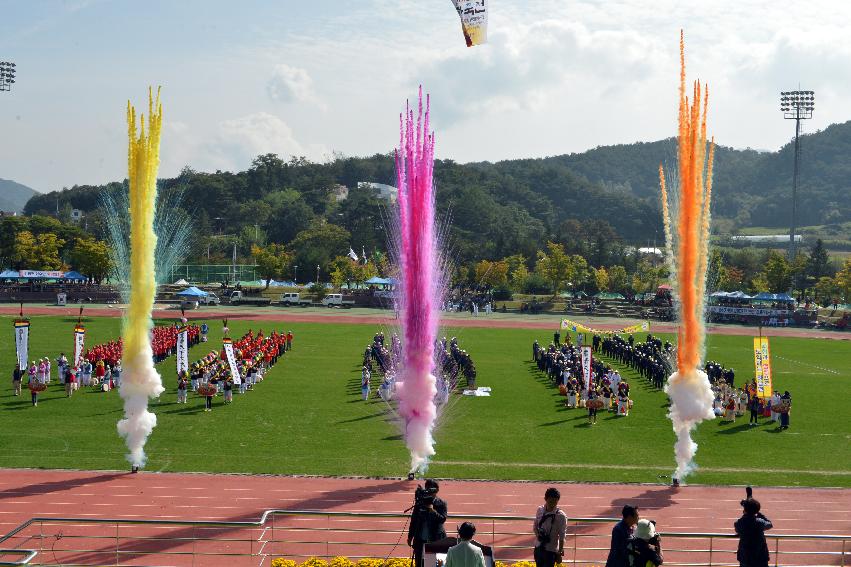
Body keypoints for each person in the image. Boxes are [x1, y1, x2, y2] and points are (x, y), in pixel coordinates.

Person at [407, 479, 448, 567]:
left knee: (434, 564)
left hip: (436, 540)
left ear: (437, 490)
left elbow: (442, 519)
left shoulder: (441, 503)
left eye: (432, 490)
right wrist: (410, 536)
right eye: (428, 489)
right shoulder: (420, 503)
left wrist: (432, 510)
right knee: (419, 564)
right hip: (420, 540)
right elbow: (413, 520)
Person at [533, 487, 566, 567]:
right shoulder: (540, 510)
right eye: (550, 501)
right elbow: (535, 526)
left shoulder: (561, 516)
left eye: (555, 502)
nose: (552, 504)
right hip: (538, 548)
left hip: (550, 551)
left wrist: (559, 553)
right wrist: (539, 536)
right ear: (545, 499)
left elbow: (562, 536)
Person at [734, 498, 773, 567]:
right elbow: (770, 524)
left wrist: (746, 510)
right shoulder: (760, 522)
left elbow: (739, 529)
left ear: (744, 510)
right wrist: (758, 513)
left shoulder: (738, 523)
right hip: (760, 558)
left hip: (745, 558)